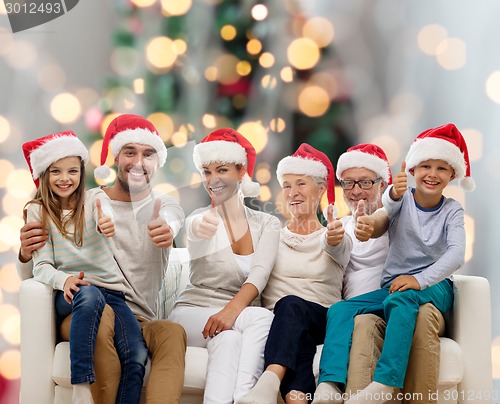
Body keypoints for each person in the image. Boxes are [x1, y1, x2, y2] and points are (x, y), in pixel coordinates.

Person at [17, 114, 187, 404]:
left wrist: (168, 228)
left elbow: (174, 218)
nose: (138, 162)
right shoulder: (84, 201)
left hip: (137, 316)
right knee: (102, 314)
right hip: (85, 309)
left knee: (172, 332)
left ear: (157, 162)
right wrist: (24, 252)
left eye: (148, 154)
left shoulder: (163, 205)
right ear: (115, 157)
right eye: (129, 152)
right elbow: (38, 270)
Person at [314, 123, 474, 404]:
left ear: (452, 175)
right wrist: (366, 227)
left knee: (402, 299)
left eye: (441, 168)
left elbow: (456, 254)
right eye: (425, 166)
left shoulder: (452, 211)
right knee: (341, 309)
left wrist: (419, 279)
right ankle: (329, 384)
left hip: (435, 286)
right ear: (411, 169)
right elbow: (382, 217)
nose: (432, 174)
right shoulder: (400, 199)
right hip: (395, 288)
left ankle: (386, 383)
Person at [168, 128, 281, 404]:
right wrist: (197, 227)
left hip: (230, 322)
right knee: (262, 318)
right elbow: (193, 229)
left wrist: (229, 312)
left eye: (222, 170)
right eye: (206, 172)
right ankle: (248, 398)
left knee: (229, 341)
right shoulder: (200, 218)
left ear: (241, 172)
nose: (213, 179)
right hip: (192, 314)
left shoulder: (267, 223)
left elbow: (260, 274)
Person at [237, 143, 351, 404]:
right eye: (287, 185)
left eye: (301, 183)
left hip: (321, 318)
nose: (292, 192)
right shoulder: (271, 235)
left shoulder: (334, 234)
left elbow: (338, 248)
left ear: (321, 188)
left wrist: (333, 236)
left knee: (289, 305)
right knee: (292, 325)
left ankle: (270, 380)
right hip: (280, 325)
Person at [334, 143, 446, 403]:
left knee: (423, 311)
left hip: (412, 303)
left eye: (365, 182)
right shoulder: (337, 228)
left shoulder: (403, 217)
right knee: (362, 322)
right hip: (366, 310)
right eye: (348, 183)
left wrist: (371, 225)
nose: (356, 191)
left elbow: (381, 221)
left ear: (382, 185)